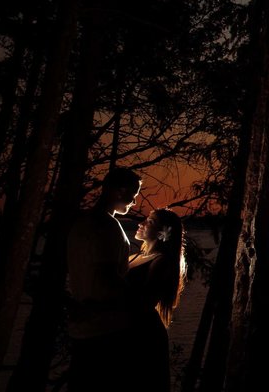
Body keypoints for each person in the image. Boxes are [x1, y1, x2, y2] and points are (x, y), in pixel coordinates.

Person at [65, 166, 142, 392]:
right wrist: (137, 302)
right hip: (104, 327)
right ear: (119, 191)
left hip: (81, 326)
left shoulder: (81, 224)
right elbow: (107, 275)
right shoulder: (107, 226)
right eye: (133, 195)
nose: (134, 202)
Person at [127, 208, 187, 392]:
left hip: (143, 332)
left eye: (150, 222)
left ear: (163, 232)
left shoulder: (162, 261)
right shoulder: (134, 257)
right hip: (129, 327)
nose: (141, 224)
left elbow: (146, 301)